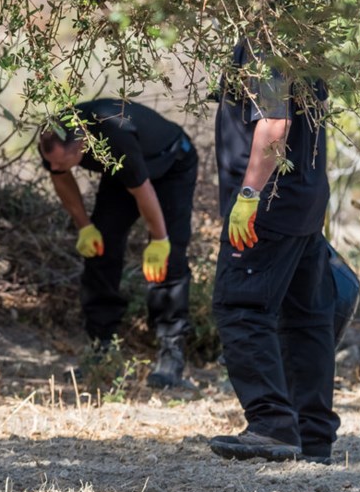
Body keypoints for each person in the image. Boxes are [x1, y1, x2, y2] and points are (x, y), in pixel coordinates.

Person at [207, 38, 340, 463]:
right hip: (304, 202)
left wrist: (249, 194)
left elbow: (275, 125)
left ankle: (271, 424)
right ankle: (312, 435)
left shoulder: (266, 42)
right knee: (306, 317)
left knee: (240, 308)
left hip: (270, 204)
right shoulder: (302, 41)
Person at [38, 99, 198, 390]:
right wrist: (85, 227)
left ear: (83, 146)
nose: (54, 167)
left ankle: (171, 353)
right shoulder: (53, 136)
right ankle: (101, 349)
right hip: (122, 171)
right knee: (101, 247)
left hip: (170, 163)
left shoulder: (114, 136)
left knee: (169, 257)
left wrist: (159, 240)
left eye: (61, 162)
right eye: (51, 162)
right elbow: (60, 178)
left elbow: (143, 190)